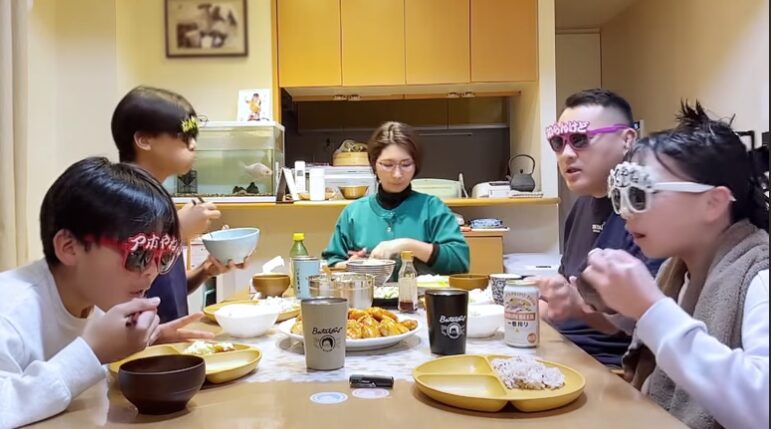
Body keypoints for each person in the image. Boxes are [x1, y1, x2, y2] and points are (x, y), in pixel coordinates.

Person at [583, 102, 768, 429]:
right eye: (619, 197)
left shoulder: (760, 277)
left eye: (640, 194)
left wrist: (651, 308)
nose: (625, 212)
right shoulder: (677, 270)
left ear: (712, 203)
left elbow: (763, 409)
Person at [0, 157, 205, 428]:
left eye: (164, 256)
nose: (152, 272)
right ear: (69, 247)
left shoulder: (94, 297)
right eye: (139, 254)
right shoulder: (9, 310)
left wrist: (147, 339)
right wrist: (92, 351)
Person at [536, 89, 663, 367]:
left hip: (611, 368)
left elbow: (648, 322)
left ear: (627, 140)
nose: (566, 154)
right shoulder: (581, 206)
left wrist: (579, 308)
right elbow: (565, 289)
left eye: (580, 139)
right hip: (562, 350)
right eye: (558, 142)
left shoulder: (650, 210)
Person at [111, 86, 245, 324]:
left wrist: (205, 270)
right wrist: (177, 233)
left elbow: (165, 290)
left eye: (194, 137)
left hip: (168, 340)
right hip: (137, 344)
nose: (193, 145)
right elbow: (119, 287)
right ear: (144, 140)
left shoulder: (160, 198)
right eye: (183, 137)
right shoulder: (120, 199)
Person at [322, 121, 469, 277]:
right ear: (374, 164)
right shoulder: (353, 213)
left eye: (406, 164)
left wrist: (407, 245)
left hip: (422, 293)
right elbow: (331, 265)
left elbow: (459, 261)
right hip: (368, 293)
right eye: (388, 165)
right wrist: (352, 265)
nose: (397, 174)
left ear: (416, 165)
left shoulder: (432, 208)